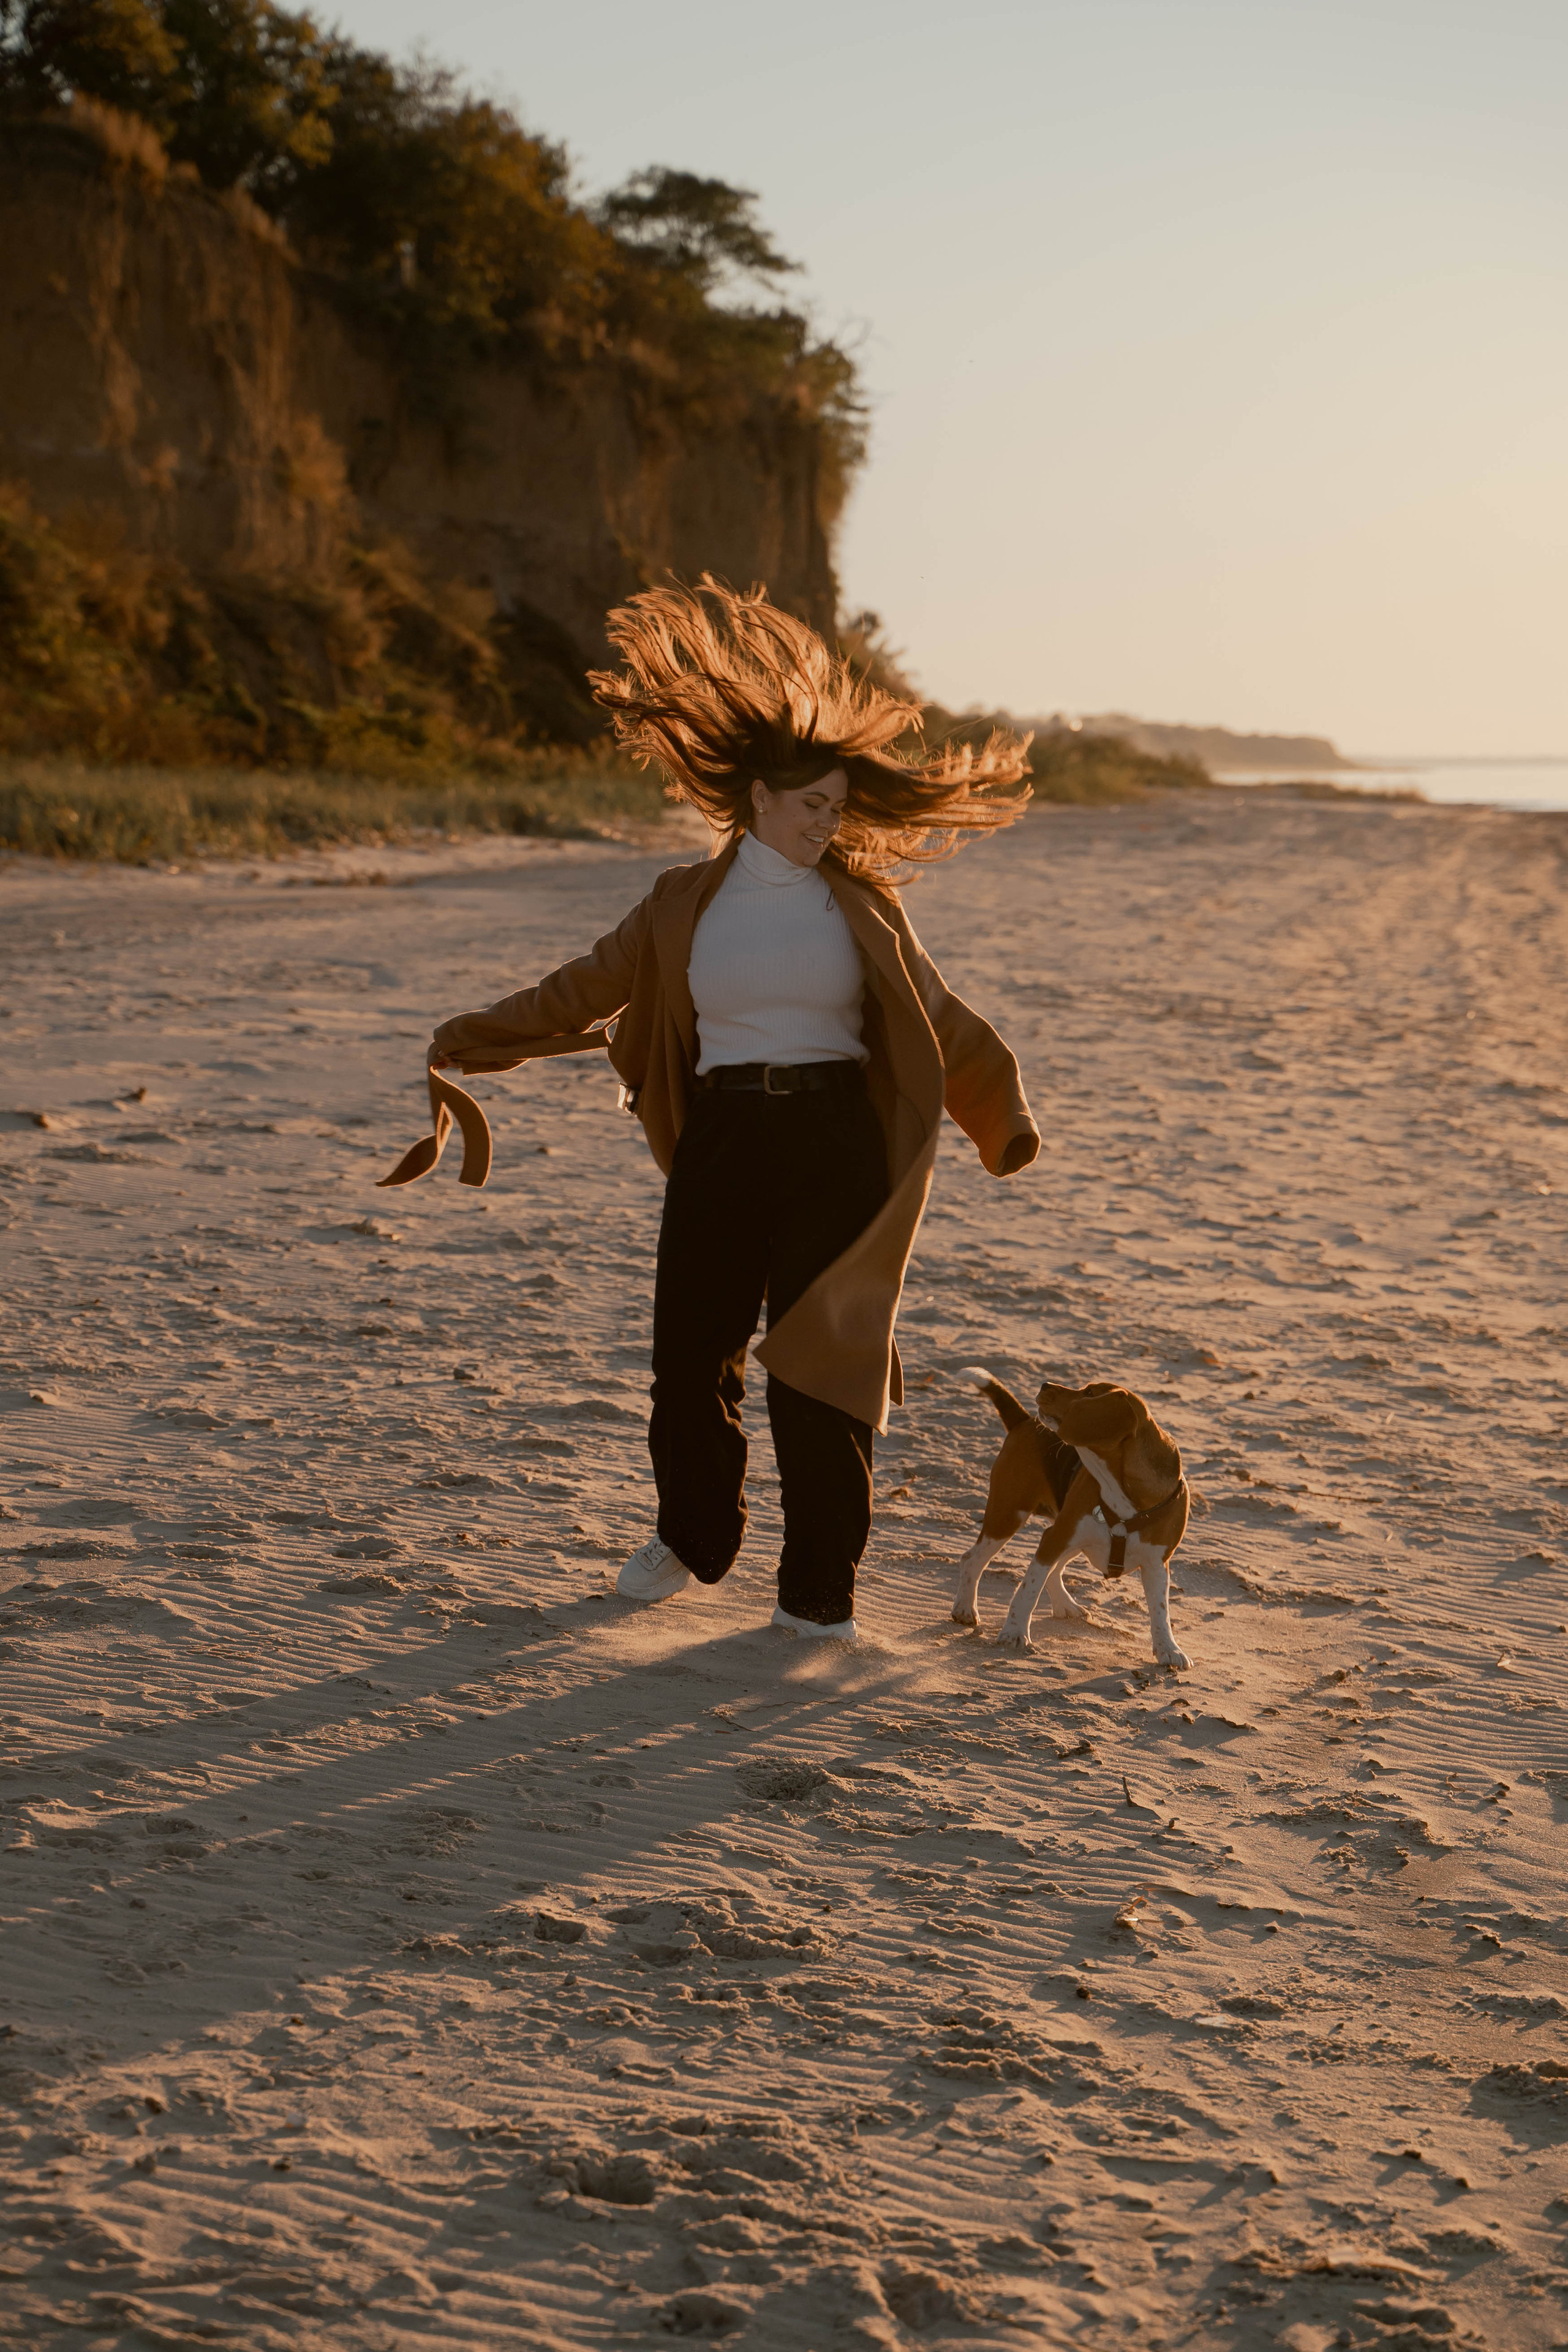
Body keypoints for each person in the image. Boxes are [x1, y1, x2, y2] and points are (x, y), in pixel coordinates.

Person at [425, 578, 1039, 1642]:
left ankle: (817, 1597)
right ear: (758, 798)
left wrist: (1006, 1123)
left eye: (840, 809)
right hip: (721, 1138)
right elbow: (579, 989)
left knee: (823, 1367)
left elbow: (943, 1018)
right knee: (688, 1353)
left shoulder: (864, 906)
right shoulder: (679, 905)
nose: (829, 823)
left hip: (835, 1140)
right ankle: (696, 1538)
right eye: (813, 807)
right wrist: (473, 1036)